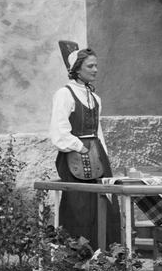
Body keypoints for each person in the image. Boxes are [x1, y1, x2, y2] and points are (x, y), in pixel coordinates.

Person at [49, 40, 120, 243]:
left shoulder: (95, 98)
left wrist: (102, 156)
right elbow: (59, 131)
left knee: (104, 205)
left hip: (97, 155)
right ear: (77, 69)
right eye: (90, 66)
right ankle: (76, 254)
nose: (95, 69)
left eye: (96, 65)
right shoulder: (64, 94)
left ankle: (105, 254)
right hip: (75, 156)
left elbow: (98, 132)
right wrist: (81, 148)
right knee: (78, 206)